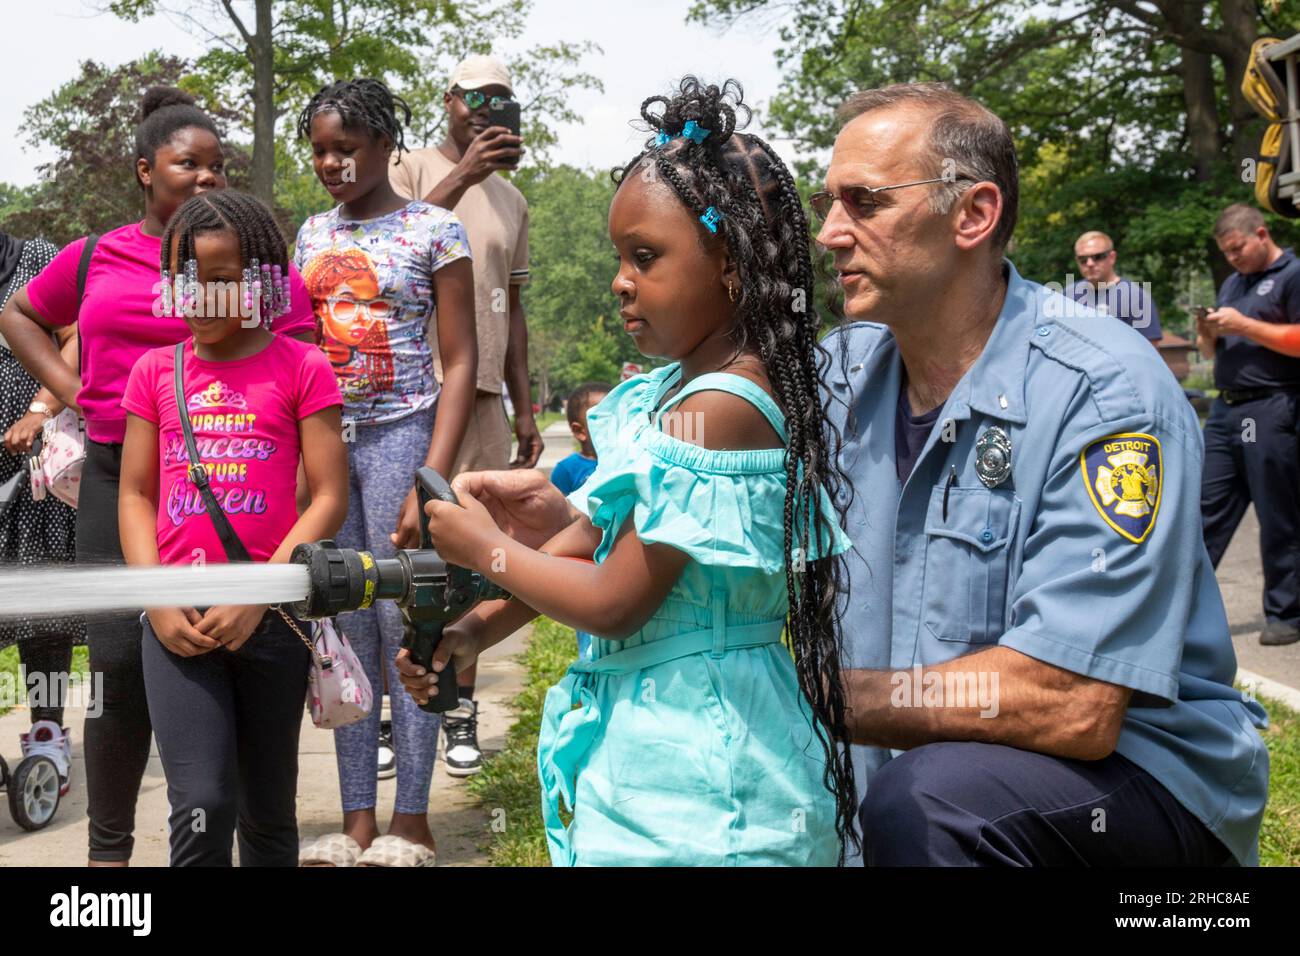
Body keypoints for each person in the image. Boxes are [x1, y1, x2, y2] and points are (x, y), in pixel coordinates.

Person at [399, 78, 857, 866]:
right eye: (621, 257)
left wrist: (484, 551)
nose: (620, 280)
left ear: (730, 264)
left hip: (713, 779)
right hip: (649, 753)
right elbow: (584, 549)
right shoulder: (663, 395)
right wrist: (472, 634)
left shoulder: (725, 405)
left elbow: (614, 602)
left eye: (645, 257)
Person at [810, 83, 1266, 865]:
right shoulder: (840, 374)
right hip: (926, 768)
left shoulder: (1104, 390)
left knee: (934, 801)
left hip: (1133, 782)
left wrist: (820, 697)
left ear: (973, 214)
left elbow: (1072, 703)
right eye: (829, 202)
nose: (829, 233)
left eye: (864, 202)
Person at [0, 86, 316, 866]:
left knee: (229, 650)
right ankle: (108, 858)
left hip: (228, 475)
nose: (206, 178)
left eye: (218, 166)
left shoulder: (253, 261)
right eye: (188, 164)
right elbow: (18, 315)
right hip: (121, 472)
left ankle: (238, 831)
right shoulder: (97, 254)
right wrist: (78, 395)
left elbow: (301, 367)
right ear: (146, 170)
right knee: (113, 666)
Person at [118, 191, 347, 866]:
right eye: (188, 279)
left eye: (223, 281)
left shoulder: (304, 367)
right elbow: (133, 494)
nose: (203, 297)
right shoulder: (154, 373)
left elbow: (329, 496)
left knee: (269, 812)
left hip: (272, 617)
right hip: (176, 621)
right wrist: (156, 600)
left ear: (263, 283)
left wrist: (260, 593)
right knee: (202, 803)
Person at [294, 78, 476, 866]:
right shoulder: (306, 236)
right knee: (343, 623)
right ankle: (356, 817)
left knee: (410, 621)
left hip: (406, 435)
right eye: (320, 151)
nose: (332, 163)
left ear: (384, 146)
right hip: (327, 443)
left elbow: (463, 361)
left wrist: (428, 479)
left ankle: (412, 819)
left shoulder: (437, 230)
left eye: (346, 148)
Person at [389, 52, 538, 774]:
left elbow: (515, 309)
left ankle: (457, 706)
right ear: (449, 99)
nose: (486, 109)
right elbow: (392, 241)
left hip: (481, 396)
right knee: (398, 549)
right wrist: (465, 174)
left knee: (465, 556)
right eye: (475, 96)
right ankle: (392, 710)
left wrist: (525, 404)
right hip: (411, 387)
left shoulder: (513, 200)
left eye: (501, 100)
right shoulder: (410, 169)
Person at [0, 232, 82, 793]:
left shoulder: (34, 259)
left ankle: (48, 732)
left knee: (41, 606)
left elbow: (80, 336)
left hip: (32, 465)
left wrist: (43, 405)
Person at [1198, 203, 1300, 647]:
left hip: (1272, 406)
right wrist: (1209, 331)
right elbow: (1208, 354)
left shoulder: (1293, 274)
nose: (1234, 258)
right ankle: (1182, 606)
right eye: (1226, 252)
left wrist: (1245, 324)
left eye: (1238, 249)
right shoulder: (1233, 283)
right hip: (1225, 411)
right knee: (1201, 509)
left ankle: (1287, 612)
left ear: (1261, 234)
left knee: (1277, 515)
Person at [549, 381, 610, 662]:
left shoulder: (626, 463)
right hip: (584, 568)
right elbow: (555, 519)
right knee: (589, 640)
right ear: (579, 430)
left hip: (615, 563)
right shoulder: (567, 470)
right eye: (601, 416)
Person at [1065, 230, 1162, 344]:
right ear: (1077, 261)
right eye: (1083, 259)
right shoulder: (1067, 296)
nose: (1090, 263)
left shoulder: (1136, 298)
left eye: (1098, 257)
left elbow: (1150, 351)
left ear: (1112, 257)